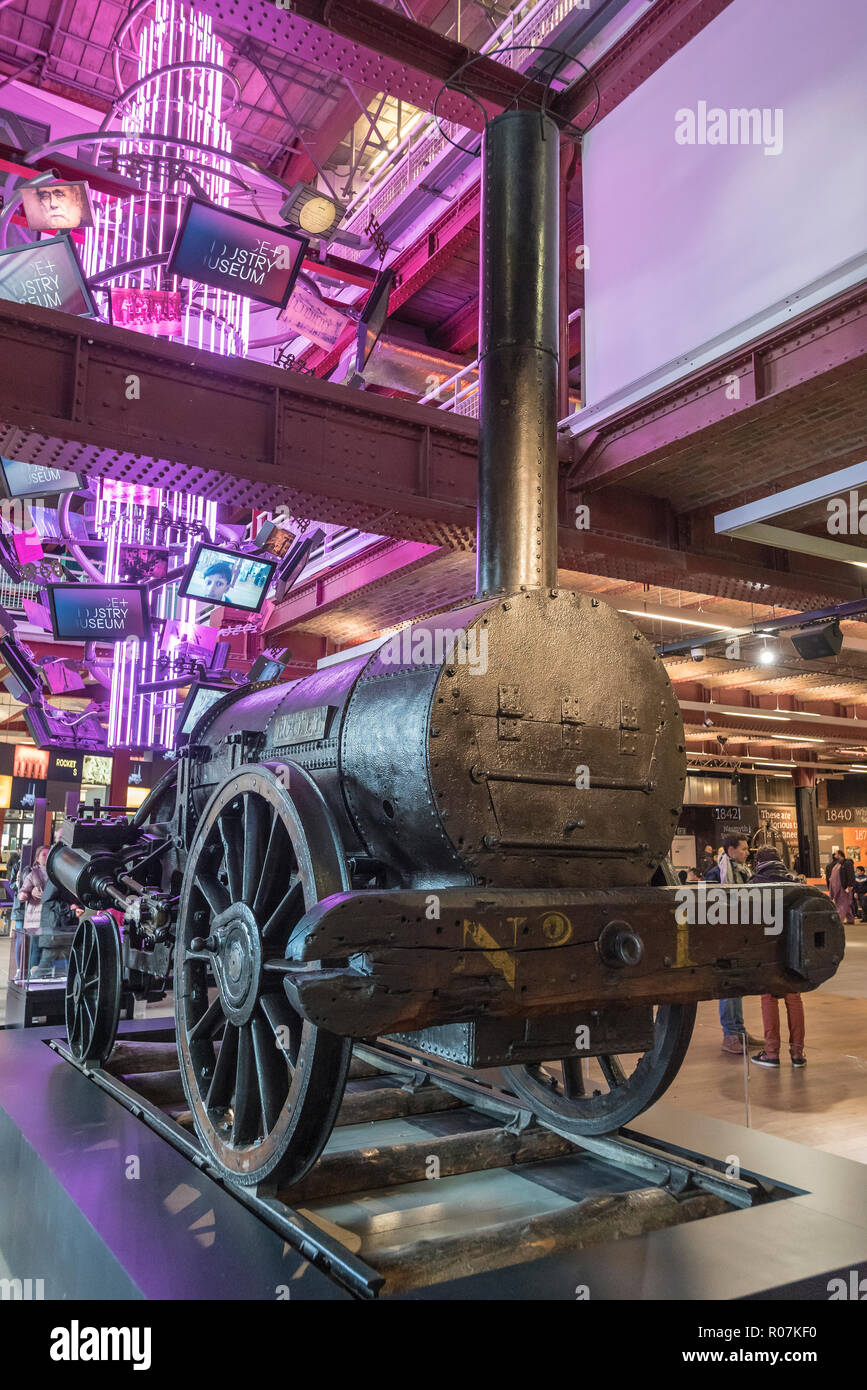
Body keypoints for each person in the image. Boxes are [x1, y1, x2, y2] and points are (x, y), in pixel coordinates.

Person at [704, 832, 763, 1054]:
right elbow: (709, 908)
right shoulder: (716, 874)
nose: (747, 852)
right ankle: (730, 1035)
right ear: (731, 850)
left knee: (737, 985)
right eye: (744, 848)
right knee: (728, 986)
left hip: (739, 936)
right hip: (723, 939)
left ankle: (739, 1031)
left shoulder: (744, 873)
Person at [750, 847, 807, 1068]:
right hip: (793, 951)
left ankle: (772, 1053)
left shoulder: (754, 882)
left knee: (768, 998)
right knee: (794, 999)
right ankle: (798, 1055)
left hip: (767, 951)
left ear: (759, 862)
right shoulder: (794, 882)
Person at [826, 848, 856, 925]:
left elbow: (850, 875)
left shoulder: (847, 863)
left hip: (845, 887)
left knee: (842, 904)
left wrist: (850, 885)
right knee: (845, 904)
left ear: (839, 855)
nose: (834, 856)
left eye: (835, 854)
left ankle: (839, 920)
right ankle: (850, 919)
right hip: (838, 888)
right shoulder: (838, 864)